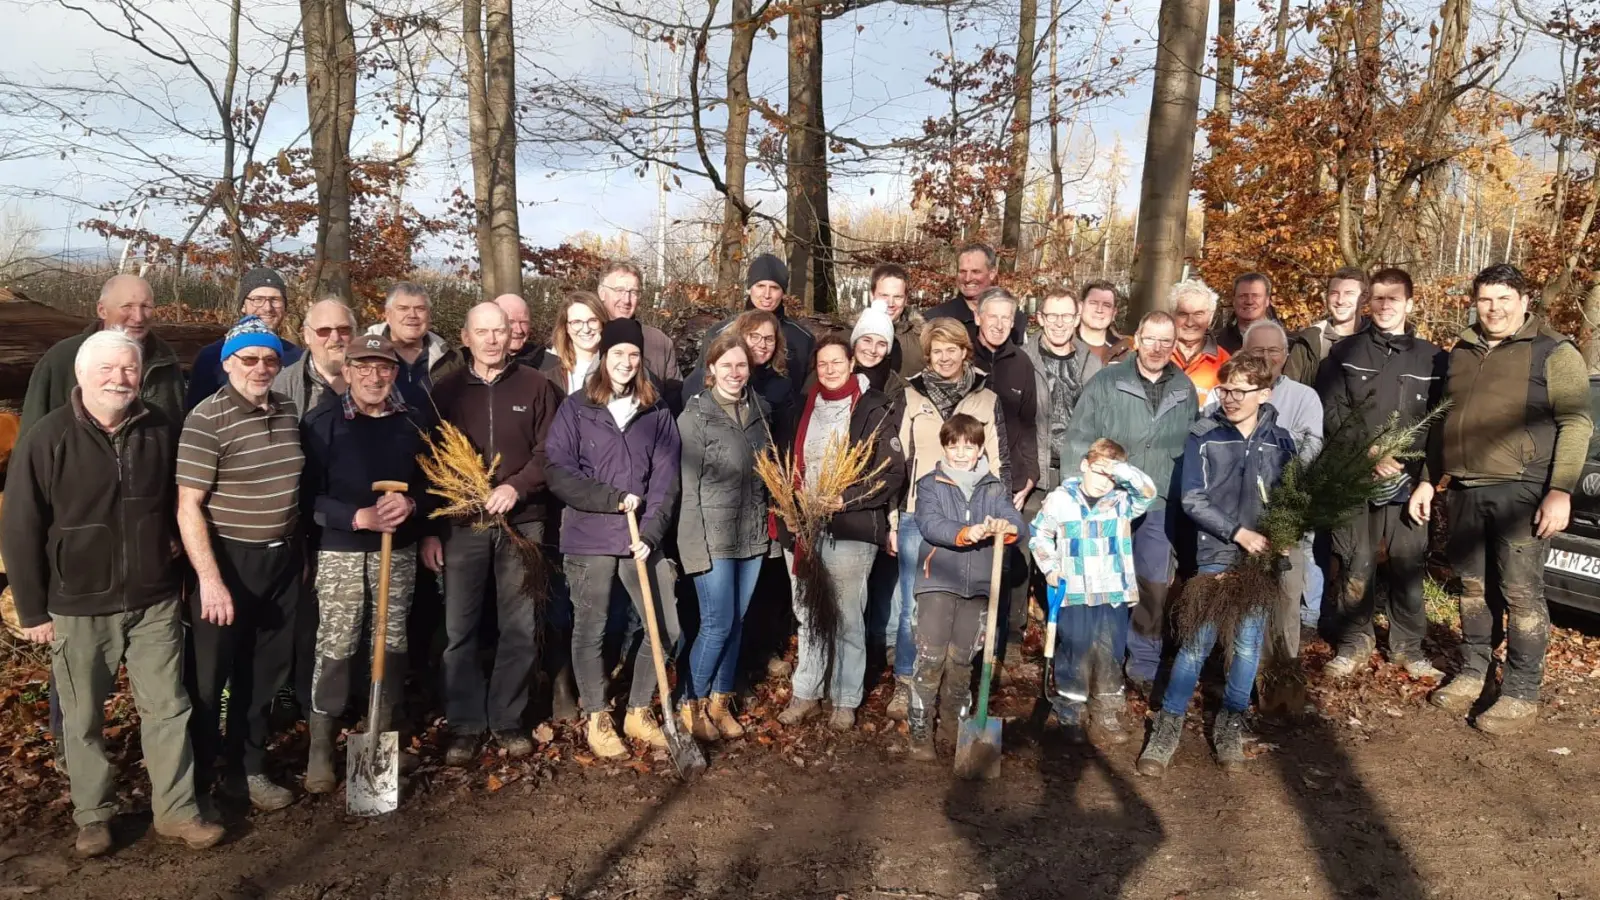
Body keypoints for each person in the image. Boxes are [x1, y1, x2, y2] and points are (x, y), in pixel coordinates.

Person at [2, 331, 223, 857]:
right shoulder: (47, 437)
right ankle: (94, 815)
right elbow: (21, 526)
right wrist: (32, 607)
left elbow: (183, 502)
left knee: (168, 708)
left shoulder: (160, 430)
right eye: (108, 369)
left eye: (128, 369)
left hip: (154, 598)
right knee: (81, 720)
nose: (119, 378)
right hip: (79, 603)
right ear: (82, 374)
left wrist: (179, 551)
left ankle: (176, 811)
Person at [1427, 264, 1593, 733]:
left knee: (1521, 594)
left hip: (1523, 490)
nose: (1494, 309)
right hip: (1463, 489)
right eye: (1485, 299)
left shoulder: (1554, 352)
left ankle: (1521, 691)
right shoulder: (1460, 351)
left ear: (1524, 301)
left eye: (1503, 299)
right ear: (1474, 303)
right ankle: (1474, 671)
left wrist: (1560, 490)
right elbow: (1443, 421)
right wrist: (1428, 477)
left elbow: (1576, 423)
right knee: (1473, 591)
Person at [1137, 354, 1296, 776]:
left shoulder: (1281, 442)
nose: (1230, 398)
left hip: (1259, 564)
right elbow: (1192, 499)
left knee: (1246, 646)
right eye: (1225, 389)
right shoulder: (1203, 437)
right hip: (1214, 556)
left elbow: (1291, 502)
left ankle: (1230, 721)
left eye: (1240, 391)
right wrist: (1237, 533)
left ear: (1265, 394)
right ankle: (1167, 726)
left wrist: (1285, 537)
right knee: (1195, 644)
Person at [176, 316, 305, 811]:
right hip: (226, 561)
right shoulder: (207, 419)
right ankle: (199, 781)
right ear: (228, 362)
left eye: (270, 358)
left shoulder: (288, 408)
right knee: (209, 679)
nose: (261, 367)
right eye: (249, 358)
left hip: (281, 562)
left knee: (264, 675)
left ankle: (246, 770)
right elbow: (188, 505)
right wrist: (209, 580)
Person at [297, 334, 436, 791]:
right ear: (348, 372)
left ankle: (384, 739)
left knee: (392, 644)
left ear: (395, 373)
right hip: (341, 550)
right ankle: (321, 747)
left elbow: (432, 483)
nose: (374, 377)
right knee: (336, 645)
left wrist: (412, 506)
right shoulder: (322, 423)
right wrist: (356, 516)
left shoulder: (413, 422)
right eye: (364, 368)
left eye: (384, 368)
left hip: (396, 551)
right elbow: (306, 496)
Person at [427, 303, 564, 763]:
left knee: (521, 626)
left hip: (522, 523)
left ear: (511, 336)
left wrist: (517, 487)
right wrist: (431, 529)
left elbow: (551, 452)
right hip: (462, 527)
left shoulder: (537, 386)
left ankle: (507, 719)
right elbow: (427, 460)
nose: (491, 340)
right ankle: (465, 724)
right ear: (465, 337)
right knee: (458, 629)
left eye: (498, 331)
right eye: (481, 332)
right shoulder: (444, 392)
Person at [546, 318, 684, 759]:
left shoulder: (656, 411)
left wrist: (651, 532)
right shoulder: (576, 408)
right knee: (592, 628)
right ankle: (596, 714)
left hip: (639, 537)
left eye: (633, 355)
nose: (625, 362)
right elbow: (558, 472)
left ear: (642, 361)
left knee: (665, 627)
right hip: (589, 536)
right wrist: (610, 498)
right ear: (604, 358)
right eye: (617, 354)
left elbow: (666, 480)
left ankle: (639, 710)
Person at [1316, 267, 1446, 682]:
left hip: (1409, 485)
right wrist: (1367, 450)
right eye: (1378, 297)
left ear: (1410, 303)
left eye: (1394, 298)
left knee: (1407, 565)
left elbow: (1441, 423)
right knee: (1355, 563)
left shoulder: (1434, 358)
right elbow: (1331, 410)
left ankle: (1408, 647)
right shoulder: (1345, 353)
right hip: (1355, 475)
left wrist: (1426, 479)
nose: (1385, 305)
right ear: (1368, 302)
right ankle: (1355, 641)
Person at [1062, 311, 1198, 695]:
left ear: (1175, 345)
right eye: (1150, 338)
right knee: (1104, 584)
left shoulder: (1183, 389)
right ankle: (1099, 659)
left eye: (1165, 341)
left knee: (1152, 584)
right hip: (1109, 499)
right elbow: (1078, 438)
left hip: (1158, 502)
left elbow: (1191, 446)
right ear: (1137, 337)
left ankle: (1143, 664)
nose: (1157, 348)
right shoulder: (1108, 381)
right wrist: (1081, 494)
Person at [774, 335, 906, 731]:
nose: (830, 370)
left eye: (837, 362)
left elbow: (890, 471)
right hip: (803, 525)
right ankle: (807, 690)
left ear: (852, 364)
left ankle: (845, 697)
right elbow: (780, 462)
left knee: (847, 614)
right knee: (808, 611)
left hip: (849, 526)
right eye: (822, 364)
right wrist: (789, 508)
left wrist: (845, 499)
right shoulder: (801, 407)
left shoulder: (875, 408)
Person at [886, 318, 1008, 719]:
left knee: (962, 601)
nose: (944, 357)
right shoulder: (911, 395)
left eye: (951, 349)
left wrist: (999, 513)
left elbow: (998, 462)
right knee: (910, 605)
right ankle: (907, 683)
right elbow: (897, 461)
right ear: (928, 354)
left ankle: (955, 689)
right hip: (916, 514)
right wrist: (892, 516)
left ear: (964, 351)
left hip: (971, 517)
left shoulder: (986, 399)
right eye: (936, 350)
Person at [904, 413, 1027, 760]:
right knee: (930, 659)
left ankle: (954, 729)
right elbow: (929, 523)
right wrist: (964, 533)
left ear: (979, 449)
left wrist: (1008, 525)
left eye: (968, 446)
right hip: (938, 581)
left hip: (979, 586)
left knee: (962, 662)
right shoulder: (930, 484)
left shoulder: (994, 487)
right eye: (954, 445)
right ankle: (920, 729)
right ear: (944, 447)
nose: (961, 452)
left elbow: (1016, 521)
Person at [676, 331, 777, 741]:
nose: (735, 372)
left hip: (751, 535)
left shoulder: (761, 410)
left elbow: (769, 474)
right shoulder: (694, 417)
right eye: (726, 365)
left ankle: (720, 700)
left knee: (736, 621)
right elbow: (686, 488)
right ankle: (691, 702)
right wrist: (692, 548)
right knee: (716, 623)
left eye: (741, 365)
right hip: (711, 537)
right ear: (711, 369)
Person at [1205, 319, 1325, 658]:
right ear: (1243, 353)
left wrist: (1282, 492)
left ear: (1285, 356)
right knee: (1237, 598)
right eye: (1258, 350)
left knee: (1285, 597)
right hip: (1236, 518)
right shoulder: (1223, 400)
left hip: (1285, 514)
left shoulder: (1304, 397)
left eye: (1274, 350)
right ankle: (1236, 673)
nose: (1267, 357)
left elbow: (1311, 447)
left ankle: (1283, 670)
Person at [1029, 438, 1156, 745]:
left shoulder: (1122, 502)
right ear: (1084, 465)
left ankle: (1107, 713)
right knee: (1075, 649)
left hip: (1111, 592)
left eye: (1112, 477)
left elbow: (1148, 492)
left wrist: (1119, 469)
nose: (1105, 482)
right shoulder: (1060, 500)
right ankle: (1070, 712)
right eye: (1100, 473)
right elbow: (1039, 535)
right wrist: (1050, 568)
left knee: (1110, 651)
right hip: (1073, 592)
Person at [21, 274, 185, 434]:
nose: (138, 317)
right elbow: (32, 435)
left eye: (146, 307)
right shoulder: (62, 358)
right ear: (102, 310)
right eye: (127, 306)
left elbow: (176, 426)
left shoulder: (164, 359)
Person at [185, 268, 304, 410]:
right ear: (243, 305)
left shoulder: (297, 358)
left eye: (275, 300)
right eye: (257, 299)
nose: (267, 307)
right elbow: (195, 414)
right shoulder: (212, 357)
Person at [1024, 287, 1102, 494]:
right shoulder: (1021, 361)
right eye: (1052, 316)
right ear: (1040, 318)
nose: (1059, 323)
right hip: (1034, 478)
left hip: (1079, 477)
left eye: (1067, 316)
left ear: (1077, 319)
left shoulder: (1092, 364)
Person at [702, 254, 816, 385]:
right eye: (760, 286)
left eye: (774, 288)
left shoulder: (802, 339)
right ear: (750, 288)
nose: (766, 295)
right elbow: (700, 382)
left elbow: (808, 391)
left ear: (783, 292)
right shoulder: (719, 333)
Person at [686, 310, 797, 442]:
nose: (762, 345)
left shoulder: (781, 385)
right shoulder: (702, 379)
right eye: (754, 336)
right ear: (739, 337)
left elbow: (782, 438)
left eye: (769, 339)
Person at [926, 243, 1027, 346]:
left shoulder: (1014, 319)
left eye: (975, 271)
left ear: (992, 273)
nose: (968, 278)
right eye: (962, 271)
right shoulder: (936, 319)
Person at [597, 261, 681, 385]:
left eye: (633, 292)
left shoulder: (658, 342)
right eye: (619, 290)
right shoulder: (588, 337)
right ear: (602, 293)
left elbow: (674, 394)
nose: (626, 300)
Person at [273, 299, 356, 422]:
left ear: (354, 333)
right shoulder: (284, 385)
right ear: (307, 335)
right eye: (324, 331)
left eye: (343, 329)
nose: (335, 337)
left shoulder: (376, 377)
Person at [432, 293, 545, 382]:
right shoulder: (458, 362)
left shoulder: (548, 365)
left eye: (524, 322)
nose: (518, 330)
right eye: (511, 322)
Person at [365, 281, 451, 395]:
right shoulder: (363, 353)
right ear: (388, 314)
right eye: (403, 308)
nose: (412, 315)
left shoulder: (450, 357)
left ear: (429, 315)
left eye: (420, 308)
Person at [1284, 267, 1366, 384]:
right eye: (1334, 293)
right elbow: (1288, 391)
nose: (1340, 300)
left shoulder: (1378, 340)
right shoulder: (1309, 340)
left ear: (1364, 297)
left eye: (1349, 293)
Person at [1168, 279, 1230, 406]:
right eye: (1183, 314)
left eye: (1198, 314)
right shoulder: (1154, 353)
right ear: (1172, 315)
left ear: (1211, 316)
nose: (1190, 322)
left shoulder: (1225, 362)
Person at [540, 291, 610, 395]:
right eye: (576, 322)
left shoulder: (617, 366)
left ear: (602, 323)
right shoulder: (548, 369)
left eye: (593, 320)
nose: (586, 329)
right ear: (566, 327)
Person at [867, 263, 926, 376]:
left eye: (897, 297)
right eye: (884, 296)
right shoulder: (851, 338)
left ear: (906, 299)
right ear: (871, 296)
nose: (890, 303)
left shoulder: (923, 338)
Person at [850, 300, 909, 404]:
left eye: (881, 344)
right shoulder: (834, 370)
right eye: (867, 340)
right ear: (855, 342)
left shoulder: (893, 385)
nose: (873, 350)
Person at [1216, 272, 1274, 354]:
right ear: (1234, 300)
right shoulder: (1215, 342)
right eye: (1243, 296)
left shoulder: (1289, 342)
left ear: (1267, 300)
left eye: (1256, 296)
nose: (1249, 301)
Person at [1076, 280, 1132, 365]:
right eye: (1093, 303)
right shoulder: (1062, 344)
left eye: (1106, 305)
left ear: (1114, 313)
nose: (1099, 310)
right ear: (1080, 307)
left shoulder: (1125, 351)